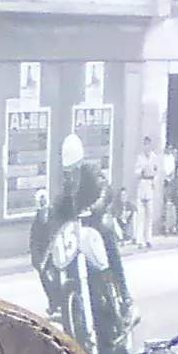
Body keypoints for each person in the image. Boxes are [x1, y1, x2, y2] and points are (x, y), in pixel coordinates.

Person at [55, 129, 135, 327]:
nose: (70, 175)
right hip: (77, 234)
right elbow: (58, 208)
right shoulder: (66, 188)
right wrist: (48, 218)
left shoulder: (91, 173)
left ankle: (125, 298)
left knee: (108, 240)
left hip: (95, 226)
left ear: (80, 164)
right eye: (67, 171)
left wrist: (96, 207)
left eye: (73, 169)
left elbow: (105, 190)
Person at [133, 134, 159, 248]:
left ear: (151, 146)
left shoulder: (154, 157)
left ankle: (148, 238)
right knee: (140, 214)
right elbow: (136, 172)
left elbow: (157, 171)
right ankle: (139, 240)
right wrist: (141, 171)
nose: (146, 147)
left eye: (148, 145)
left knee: (149, 214)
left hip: (150, 184)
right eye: (145, 145)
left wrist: (155, 181)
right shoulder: (140, 157)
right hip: (142, 183)